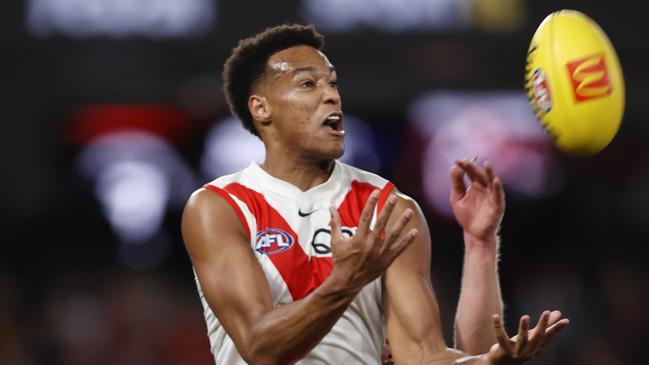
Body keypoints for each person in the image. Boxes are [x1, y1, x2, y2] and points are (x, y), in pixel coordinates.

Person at [181, 24, 569, 365]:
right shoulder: (219, 207)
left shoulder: (389, 207)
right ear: (261, 109)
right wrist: (346, 281)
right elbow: (260, 347)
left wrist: (485, 361)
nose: (331, 96)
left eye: (332, 83)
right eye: (307, 84)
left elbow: (422, 355)